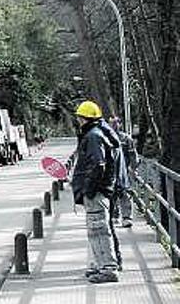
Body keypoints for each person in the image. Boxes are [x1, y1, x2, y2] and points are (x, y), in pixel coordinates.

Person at [71, 100, 120, 283]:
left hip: (97, 193)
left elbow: (98, 164)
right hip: (100, 191)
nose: (78, 121)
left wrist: (89, 190)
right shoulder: (98, 133)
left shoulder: (93, 136)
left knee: (99, 230)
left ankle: (108, 268)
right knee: (96, 229)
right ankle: (102, 265)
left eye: (79, 118)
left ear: (84, 118)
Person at [109, 116, 139, 227]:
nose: (114, 125)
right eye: (111, 123)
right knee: (112, 194)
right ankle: (114, 215)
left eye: (116, 122)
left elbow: (133, 155)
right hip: (111, 172)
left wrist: (133, 168)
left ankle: (127, 217)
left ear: (120, 124)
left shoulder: (126, 139)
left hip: (125, 170)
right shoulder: (106, 138)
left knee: (125, 193)